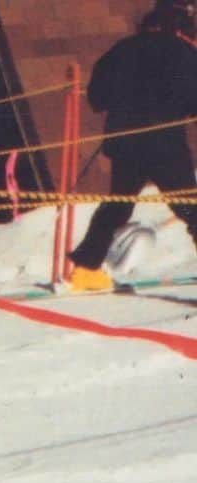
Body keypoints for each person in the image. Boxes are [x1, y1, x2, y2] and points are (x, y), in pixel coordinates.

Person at [69, 0, 197, 291]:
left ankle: (86, 269)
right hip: (166, 145)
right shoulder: (184, 53)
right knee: (190, 206)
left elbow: (97, 98)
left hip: (126, 143)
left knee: (117, 206)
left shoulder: (122, 49)